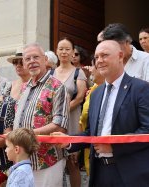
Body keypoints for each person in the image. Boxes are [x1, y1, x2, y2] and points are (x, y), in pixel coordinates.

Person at [53, 40, 149, 186]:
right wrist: (69, 141)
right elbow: (91, 132)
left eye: (104, 55)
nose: (99, 61)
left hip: (129, 174)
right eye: (97, 57)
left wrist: (113, 147)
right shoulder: (96, 93)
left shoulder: (141, 89)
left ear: (120, 56)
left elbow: (146, 130)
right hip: (99, 172)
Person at [13, 43, 69, 187]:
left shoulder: (57, 86)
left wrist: (29, 134)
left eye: (36, 57)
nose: (32, 61)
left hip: (48, 160)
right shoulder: (24, 87)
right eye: (27, 59)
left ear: (45, 60)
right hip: (25, 159)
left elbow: (60, 125)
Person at [55, 37, 87, 187]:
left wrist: (62, 111)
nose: (64, 52)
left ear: (73, 52)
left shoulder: (78, 73)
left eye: (67, 49)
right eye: (61, 48)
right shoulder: (50, 73)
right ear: (56, 51)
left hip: (72, 120)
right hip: (53, 123)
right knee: (54, 161)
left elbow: (80, 96)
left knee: (72, 162)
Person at [79, 56, 105, 176]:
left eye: (92, 67)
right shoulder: (93, 90)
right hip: (88, 144)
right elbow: (83, 119)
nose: (91, 70)